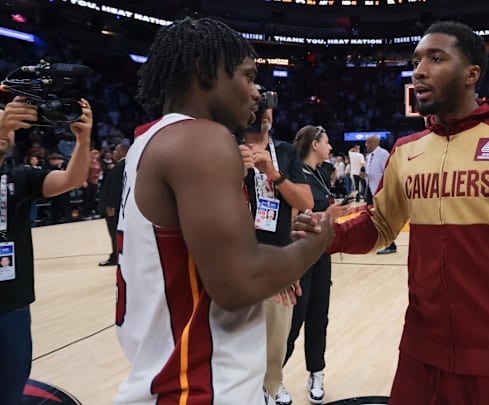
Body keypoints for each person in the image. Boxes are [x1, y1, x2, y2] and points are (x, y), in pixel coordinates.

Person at [297, 21, 489, 405]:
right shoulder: (406, 150)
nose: (419, 70)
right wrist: (332, 234)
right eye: (416, 60)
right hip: (419, 352)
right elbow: (380, 224)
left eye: (435, 58)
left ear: (471, 74)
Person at [114, 17, 332, 404]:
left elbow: (207, 265)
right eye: (247, 77)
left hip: (170, 374)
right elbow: (238, 284)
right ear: (204, 70)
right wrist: (314, 245)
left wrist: (274, 266)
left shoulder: (147, 140)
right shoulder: (202, 139)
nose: (256, 94)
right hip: (200, 386)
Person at [0, 95, 93, 405]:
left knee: (11, 391)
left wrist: (83, 140)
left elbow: (72, 178)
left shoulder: (19, 176)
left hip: (13, 303)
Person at [240, 97, 314, 405]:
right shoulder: (227, 148)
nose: (262, 112)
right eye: (255, 104)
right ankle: (246, 391)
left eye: (266, 105)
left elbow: (306, 201)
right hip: (236, 259)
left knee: (277, 336)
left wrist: (274, 173)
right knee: (237, 335)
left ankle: (273, 384)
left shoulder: (284, 152)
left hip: (276, 257)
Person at [286, 125, 350, 405]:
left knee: (318, 317)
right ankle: (271, 379)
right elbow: (294, 220)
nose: (331, 147)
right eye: (327, 142)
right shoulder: (295, 174)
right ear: (315, 144)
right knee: (294, 320)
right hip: (299, 256)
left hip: (321, 255)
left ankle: (317, 372)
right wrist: (328, 214)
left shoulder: (322, 174)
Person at [364, 134, 396, 254]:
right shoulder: (369, 156)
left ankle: (391, 244)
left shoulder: (383, 154)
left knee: (384, 218)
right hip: (370, 189)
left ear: (374, 143)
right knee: (371, 217)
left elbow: (388, 172)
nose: (365, 145)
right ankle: (376, 241)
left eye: (367, 142)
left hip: (380, 191)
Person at [97, 143, 127, 267]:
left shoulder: (120, 166)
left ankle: (115, 257)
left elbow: (115, 188)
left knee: (114, 232)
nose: (114, 152)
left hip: (114, 207)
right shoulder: (127, 165)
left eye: (116, 149)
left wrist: (110, 205)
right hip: (122, 206)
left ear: (123, 152)